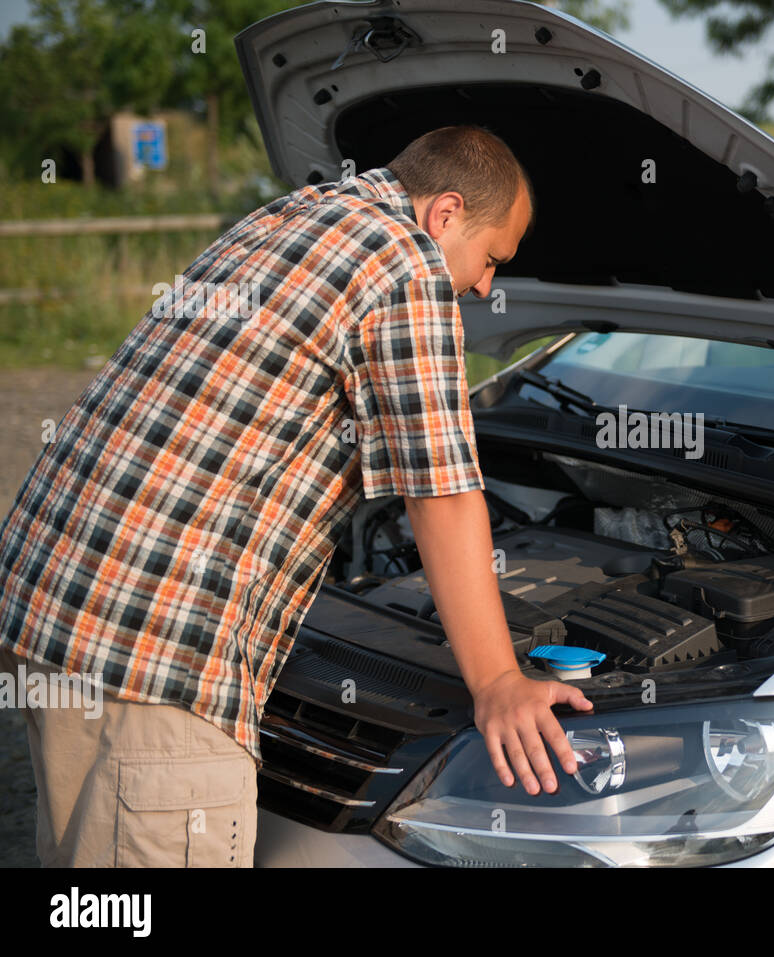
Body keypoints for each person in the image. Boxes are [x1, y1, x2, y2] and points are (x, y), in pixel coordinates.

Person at [0, 125, 591, 867]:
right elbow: (438, 490)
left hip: (59, 611)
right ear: (444, 215)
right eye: (491, 258)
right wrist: (500, 680)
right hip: (162, 653)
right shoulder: (403, 263)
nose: (484, 287)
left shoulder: (291, 216)